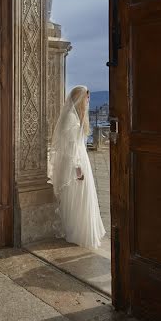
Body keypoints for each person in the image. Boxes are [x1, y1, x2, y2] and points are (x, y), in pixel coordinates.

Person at [47, 85, 106, 249]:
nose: (88, 101)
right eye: (86, 98)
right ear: (80, 99)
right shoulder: (71, 120)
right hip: (76, 166)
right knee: (78, 198)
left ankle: (79, 231)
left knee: (80, 198)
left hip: (80, 162)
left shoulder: (76, 117)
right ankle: (77, 232)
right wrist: (78, 170)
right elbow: (70, 150)